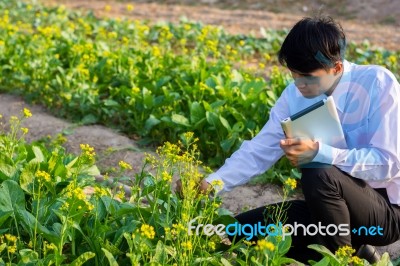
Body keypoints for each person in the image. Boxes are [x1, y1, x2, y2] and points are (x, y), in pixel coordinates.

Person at [178, 16, 400, 263]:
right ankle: (359, 252)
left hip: (387, 213)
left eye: (306, 76)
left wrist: (320, 152)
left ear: (336, 68)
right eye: (294, 75)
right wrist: (211, 184)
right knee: (237, 232)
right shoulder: (295, 95)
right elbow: (259, 149)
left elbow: (389, 163)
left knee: (319, 172)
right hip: (331, 211)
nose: (299, 84)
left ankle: (342, 260)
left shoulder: (377, 82)